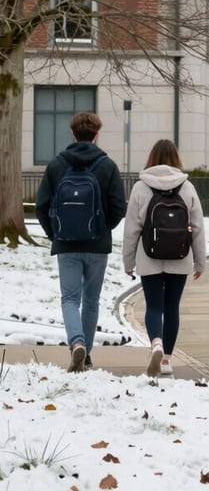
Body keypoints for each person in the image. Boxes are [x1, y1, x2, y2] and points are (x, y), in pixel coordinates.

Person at [35, 112, 126, 373]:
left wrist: (54, 233)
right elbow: (118, 207)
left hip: (66, 244)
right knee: (92, 300)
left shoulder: (56, 165)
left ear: (72, 134)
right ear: (97, 135)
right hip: (97, 244)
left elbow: (41, 207)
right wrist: (102, 229)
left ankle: (76, 342)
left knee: (70, 298)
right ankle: (86, 354)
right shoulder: (107, 166)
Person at [122, 139, 207, 376]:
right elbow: (197, 227)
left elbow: (131, 229)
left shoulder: (141, 188)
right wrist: (200, 262)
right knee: (171, 308)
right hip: (180, 256)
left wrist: (128, 261)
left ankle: (156, 343)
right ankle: (167, 360)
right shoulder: (187, 188)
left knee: (154, 306)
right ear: (176, 159)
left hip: (149, 256)